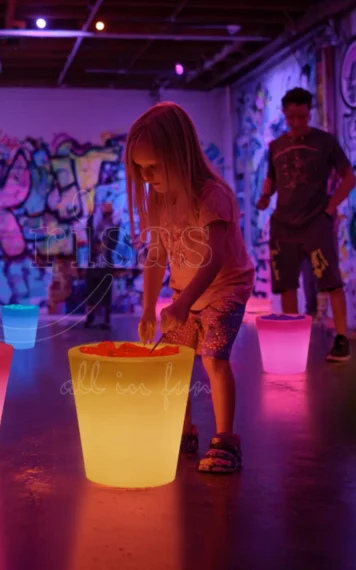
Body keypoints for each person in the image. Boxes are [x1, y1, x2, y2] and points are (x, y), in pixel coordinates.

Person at [128, 102, 255, 474]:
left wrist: (183, 305)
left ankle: (226, 440)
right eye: (140, 169)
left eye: (153, 167)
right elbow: (156, 256)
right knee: (174, 361)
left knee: (213, 357)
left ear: (180, 155)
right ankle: (182, 430)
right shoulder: (157, 198)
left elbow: (214, 259)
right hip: (185, 293)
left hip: (224, 287)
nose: (146, 175)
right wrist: (150, 307)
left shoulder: (212, 196)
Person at [258, 87, 356, 361]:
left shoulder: (325, 142)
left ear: (309, 113)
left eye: (303, 116)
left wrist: (330, 206)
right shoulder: (275, 147)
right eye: (293, 117)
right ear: (285, 115)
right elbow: (272, 179)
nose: (298, 123)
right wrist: (265, 196)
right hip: (284, 225)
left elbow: (349, 178)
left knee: (331, 280)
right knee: (287, 285)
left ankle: (341, 339)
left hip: (316, 221)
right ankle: (291, 338)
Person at [84, 203, 120, 329]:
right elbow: (88, 234)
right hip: (94, 264)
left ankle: (106, 319)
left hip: (105, 265)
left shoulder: (113, 227)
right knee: (91, 292)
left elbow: (113, 244)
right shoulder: (95, 225)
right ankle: (90, 317)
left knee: (106, 293)